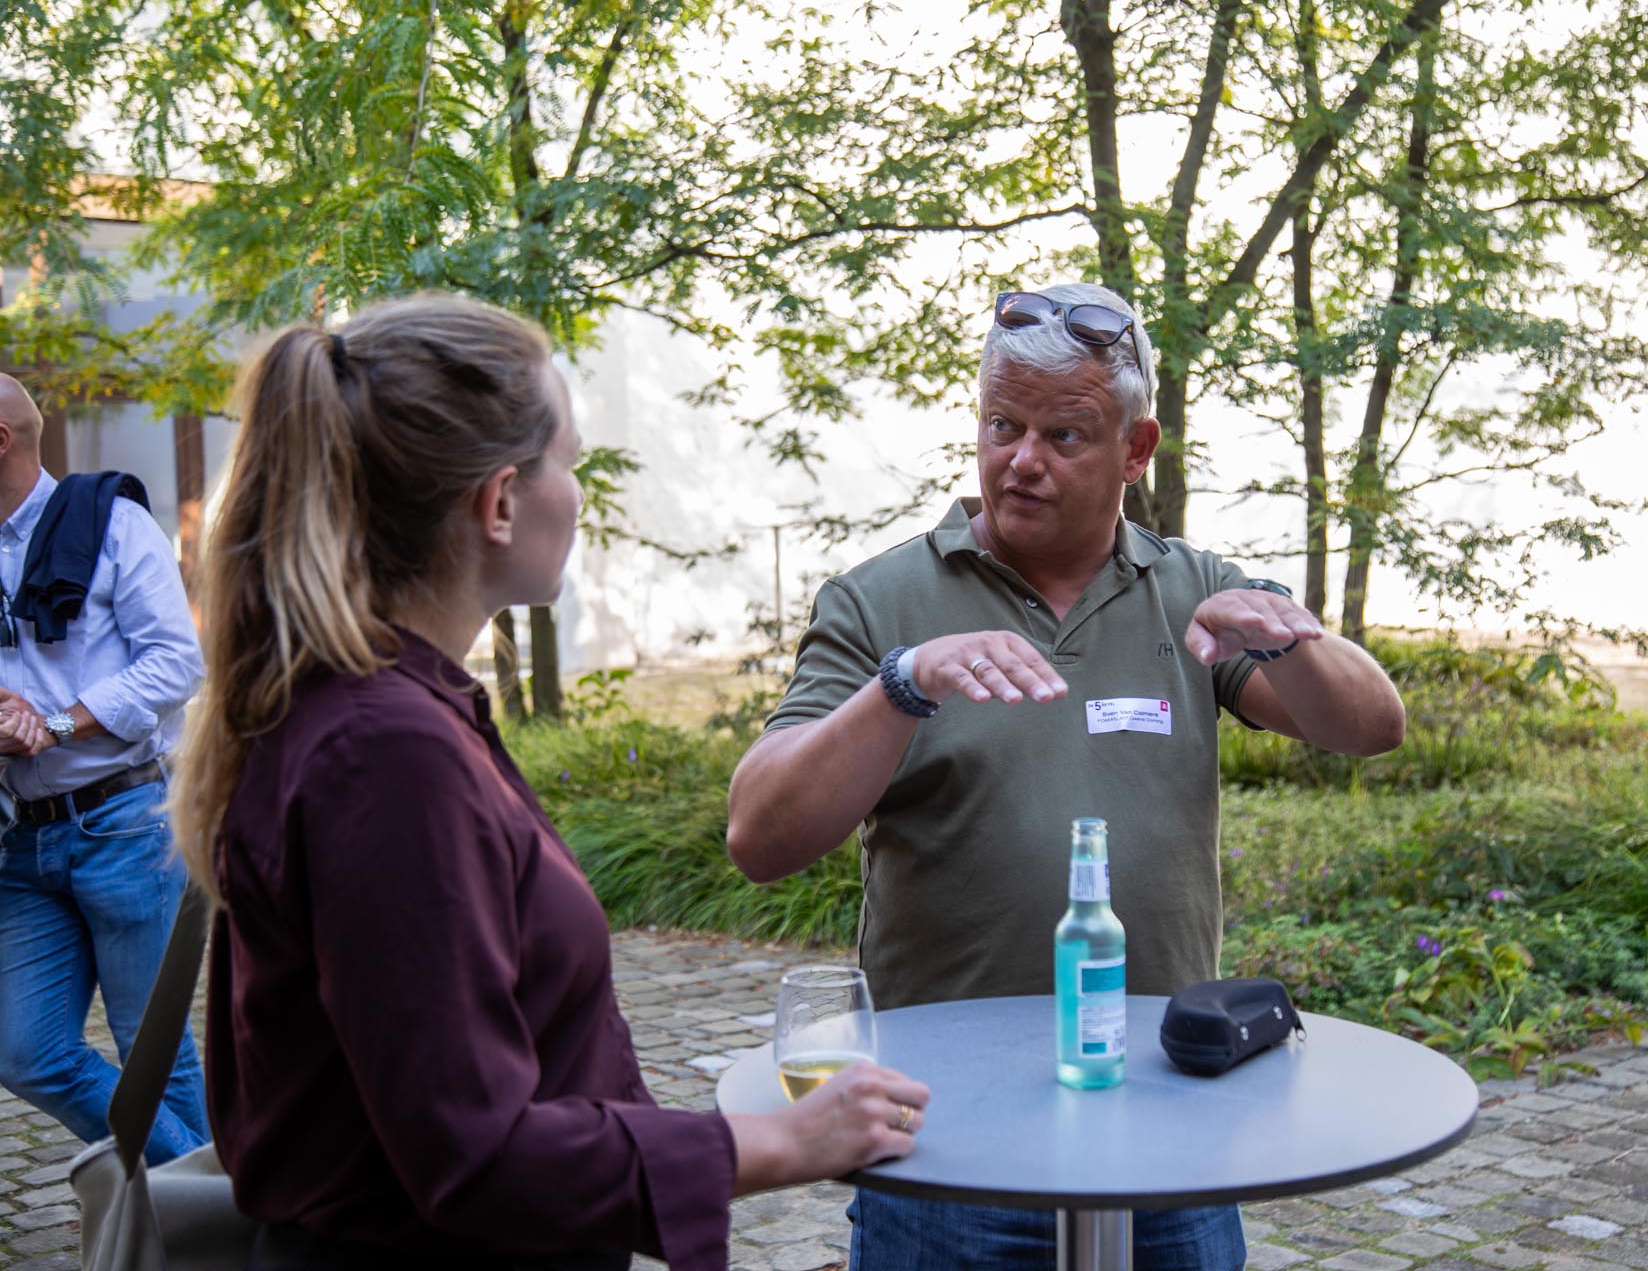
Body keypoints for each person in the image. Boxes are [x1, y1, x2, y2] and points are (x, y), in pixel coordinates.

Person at [168, 293, 930, 1271]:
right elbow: (472, 1148)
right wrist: (784, 1140)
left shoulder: (391, 710)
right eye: (566, 461)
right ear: (497, 502)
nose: (577, 492)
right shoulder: (383, 751)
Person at [726, 283, 1407, 1269]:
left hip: (1169, 1118)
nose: (1022, 459)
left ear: (1137, 449)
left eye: (1065, 434)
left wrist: (1290, 635)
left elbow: (1369, 727)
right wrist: (903, 686)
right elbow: (760, 835)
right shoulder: (882, 601)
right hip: (943, 1132)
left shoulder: (1194, 593)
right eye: (1002, 424)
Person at [0, 374, 209, 1165]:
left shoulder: (114, 523)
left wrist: (53, 724)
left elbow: (175, 665)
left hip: (122, 822)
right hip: (21, 843)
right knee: (24, 1052)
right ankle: (213, 1198)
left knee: (155, 1051)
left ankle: (197, 1234)